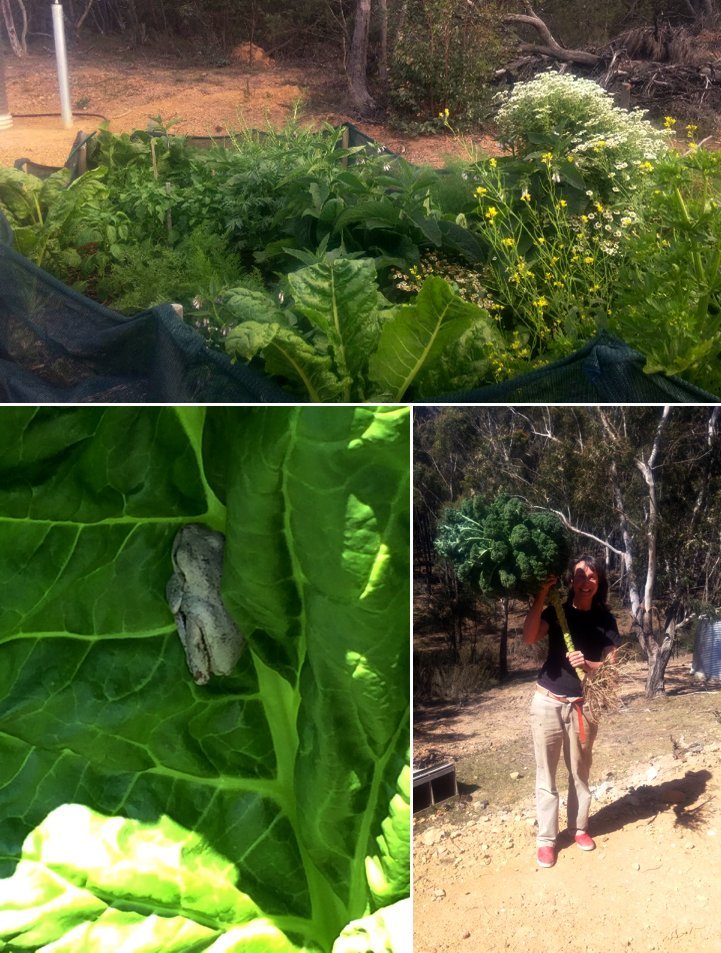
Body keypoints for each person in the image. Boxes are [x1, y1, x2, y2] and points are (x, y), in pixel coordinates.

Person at [522, 554, 621, 868]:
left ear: (599, 583)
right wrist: (541, 593)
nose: (586, 581)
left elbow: (613, 667)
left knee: (580, 772)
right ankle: (547, 840)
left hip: (584, 706)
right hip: (548, 701)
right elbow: (528, 636)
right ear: (571, 581)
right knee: (545, 774)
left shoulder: (606, 620)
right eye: (580, 575)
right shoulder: (556, 611)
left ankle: (578, 828)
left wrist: (590, 665)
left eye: (592, 577)